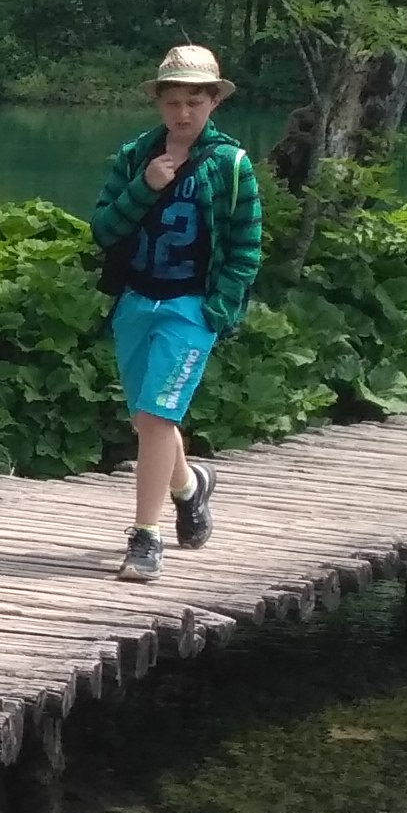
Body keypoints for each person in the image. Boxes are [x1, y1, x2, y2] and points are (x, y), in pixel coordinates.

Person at [88, 44, 265, 584]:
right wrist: (146, 188)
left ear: (214, 102)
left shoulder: (231, 165)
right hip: (137, 301)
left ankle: (146, 537)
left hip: (190, 307)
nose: (184, 114)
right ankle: (189, 488)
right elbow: (103, 230)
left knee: (160, 416)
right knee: (147, 419)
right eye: (173, 102)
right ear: (159, 103)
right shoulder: (136, 157)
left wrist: (218, 310)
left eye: (195, 101)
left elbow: (246, 247)